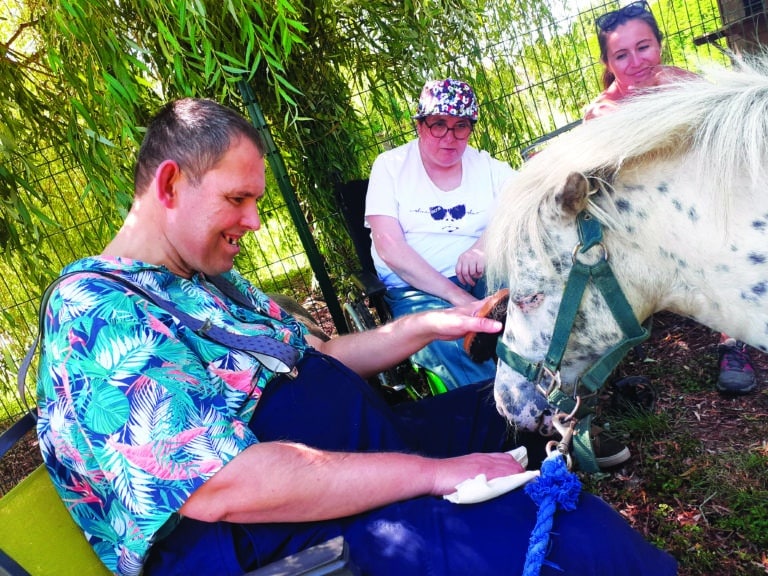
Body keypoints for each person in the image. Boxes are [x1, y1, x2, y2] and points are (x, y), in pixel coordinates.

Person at [35, 97, 678, 576]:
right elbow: (225, 486)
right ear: (171, 184)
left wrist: (426, 327)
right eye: (238, 200)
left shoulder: (207, 280)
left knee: (514, 410)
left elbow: (319, 360)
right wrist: (430, 475)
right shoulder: (95, 309)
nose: (254, 222)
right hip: (276, 535)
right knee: (576, 539)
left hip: (337, 459)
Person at [585, 0, 757, 395]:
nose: (636, 62)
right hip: (645, 216)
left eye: (643, 47)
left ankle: (731, 343)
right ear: (608, 63)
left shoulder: (683, 83)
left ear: (659, 43)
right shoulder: (602, 114)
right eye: (621, 55)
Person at [365, 78, 515, 390]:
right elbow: (389, 247)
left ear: (471, 128)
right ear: (419, 125)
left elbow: (523, 204)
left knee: (533, 309)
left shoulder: (487, 167)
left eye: (460, 126)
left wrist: (481, 248)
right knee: (454, 342)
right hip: (417, 291)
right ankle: (497, 422)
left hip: (486, 278)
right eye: (438, 124)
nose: (449, 137)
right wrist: (457, 296)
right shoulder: (390, 167)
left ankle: (548, 399)